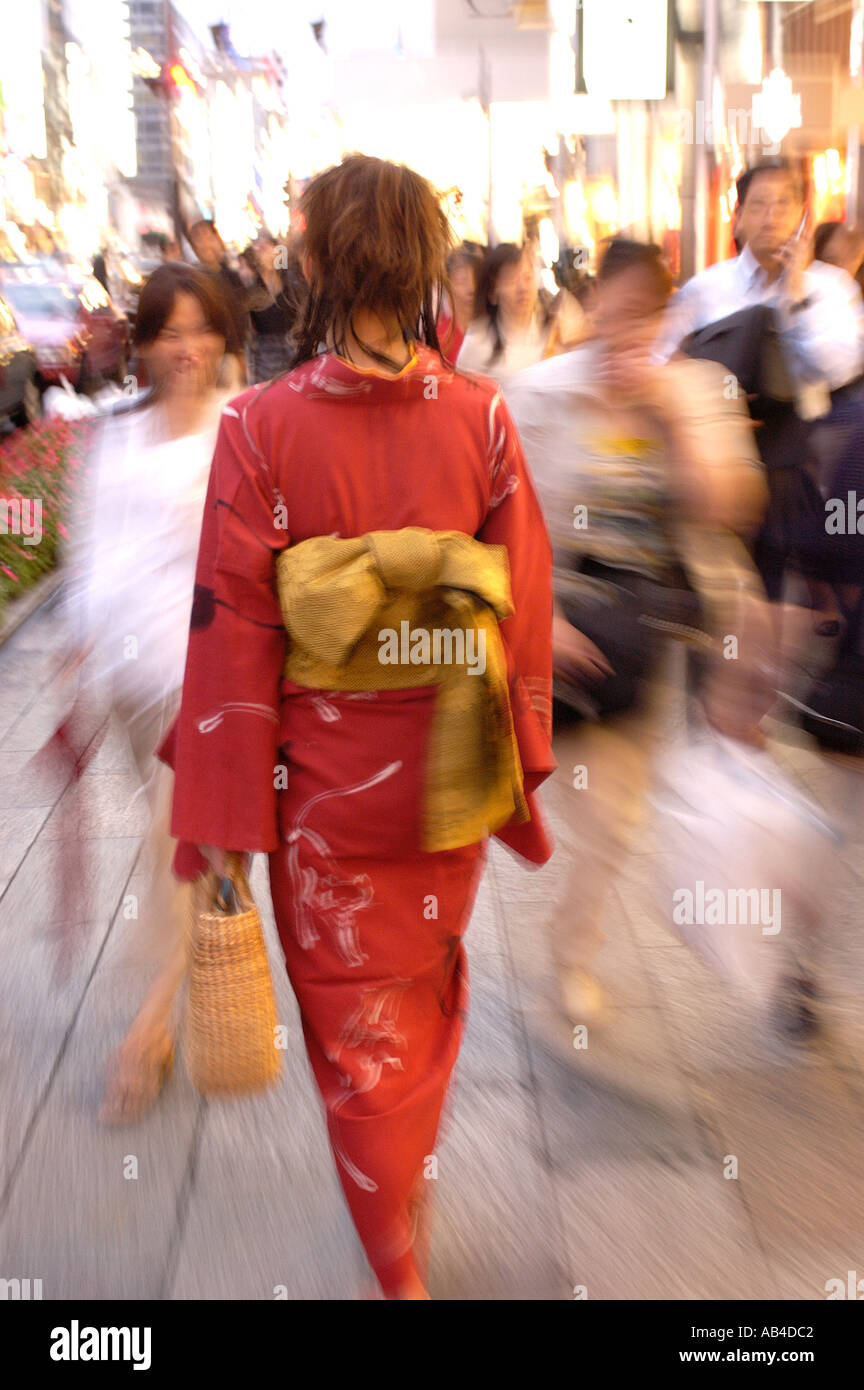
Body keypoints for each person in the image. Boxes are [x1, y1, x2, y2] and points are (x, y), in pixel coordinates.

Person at [159, 154, 555, 1300]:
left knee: (354, 1037)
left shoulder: (260, 427)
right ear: (425, 260)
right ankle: (404, 1205)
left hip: (321, 789)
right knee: (419, 999)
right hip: (444, 779)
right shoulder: (481, 420)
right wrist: (519, 764)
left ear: (324, 261)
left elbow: (231, 634)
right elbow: (517, 609)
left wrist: (221, 819)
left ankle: (397, 1264)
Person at [508, 237, 770, 1024]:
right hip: (548, 624)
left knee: (612, 821)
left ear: (667, 316)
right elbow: (502, 515)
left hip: (639, 632)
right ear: (590, 306)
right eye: (609, 312)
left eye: (641, 317)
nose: (622, 332)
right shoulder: (544, 392)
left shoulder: (698, 389)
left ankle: (570, 952)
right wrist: (538, 617)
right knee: (491, 806)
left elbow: (732, 508)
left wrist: (669, 418)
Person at [58, 264, 233, 1121]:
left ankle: (149, 1031)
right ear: (146, 343)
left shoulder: (243, 428)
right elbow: (88, 546)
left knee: (172, 846)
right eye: (170, 331)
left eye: (201, 329)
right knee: (183, 846)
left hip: (203, 684)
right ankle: (192, 963)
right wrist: (78, 639)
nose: (186, 347)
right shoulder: (113, 435)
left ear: (225, 337)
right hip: (128, 682)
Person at [659, 159, 864, 631]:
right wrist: (709, 410)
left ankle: (766, 671)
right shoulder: (705, 288)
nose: (771, 216)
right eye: (758, 204)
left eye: (783, 204)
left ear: (802, 215)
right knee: (717, 600)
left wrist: (792, 300)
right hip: (718, 460)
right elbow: (662, 364)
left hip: (794, 466)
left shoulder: (831, 289)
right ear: (738, 215)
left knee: (772, 599)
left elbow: (837, 366)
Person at [457, 242, 565, 391]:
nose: (523, 288)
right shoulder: (477, 343)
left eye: (527, 278)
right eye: (511, 280)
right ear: (493, 294)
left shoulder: (555, 329)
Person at [187, 218, 250, 387]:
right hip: (212, 357)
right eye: (198, 239)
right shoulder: (194, 280)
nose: (205, 243)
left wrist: (241, 352)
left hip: (234, 354)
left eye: (209, 236)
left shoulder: (230, 275)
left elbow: (240, 313)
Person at [245, 230, 303, 382]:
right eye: (262, 249)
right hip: (267, 354)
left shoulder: (290, 280)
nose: (267, 253)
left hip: (293, 345)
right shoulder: (254, 289)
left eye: (270, 248)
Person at [435, 245, 481, 362]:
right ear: (448, 286)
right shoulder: (441, 335)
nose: (471, 288)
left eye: (476, 279)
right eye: (461, 281)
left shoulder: (490, 325)